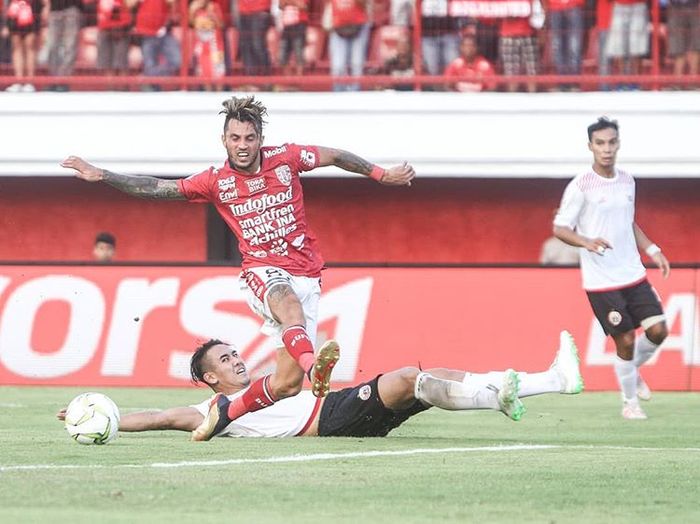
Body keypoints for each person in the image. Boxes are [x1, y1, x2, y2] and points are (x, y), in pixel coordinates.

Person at [61, 95, 416, 438]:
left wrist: (380, 174)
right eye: (235, 138)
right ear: (224, 140)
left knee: (287, 385)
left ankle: (232, 411)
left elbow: (336, 156)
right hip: (261, 271)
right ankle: (315, 368)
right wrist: (103, 174)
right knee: (287, 303)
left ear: (261, 139)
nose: (242, 144)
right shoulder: (215, 181)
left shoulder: (287, 157)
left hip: (307, 271)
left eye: (249, 137)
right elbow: (157, 187)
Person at [57, 331, 584, 439]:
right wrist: (103, 416)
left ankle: (551, 381)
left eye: (235, 351)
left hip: (330, 408)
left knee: (430, 377)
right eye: (225, 358)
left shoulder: (270, 382)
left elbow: (306, 389)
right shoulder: (213, 409)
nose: (237, 359)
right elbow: (159, 418)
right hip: (327, 423)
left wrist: (320, 377)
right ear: (209, 377)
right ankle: (506, 393)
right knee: (406, 378)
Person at [553, 117, 670, 420]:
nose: (606, 149)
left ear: (618, 144)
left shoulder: (628, 180)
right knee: (626, 341)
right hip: (601, 280)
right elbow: (560, 228)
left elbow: (628, 222)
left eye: (611, 142)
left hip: (632, 272)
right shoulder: (580, 186)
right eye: (600, 143)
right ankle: (629, 403)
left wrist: (653, 249)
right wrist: (586, 241)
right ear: (590, 147)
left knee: (659, 330)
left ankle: (632, 370)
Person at [3, 0, 42, 92]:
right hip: (14, 10)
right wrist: (5, 23)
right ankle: (18, 81)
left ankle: (30, 81)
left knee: (30, 46)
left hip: (31, 9)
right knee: (16, 47)